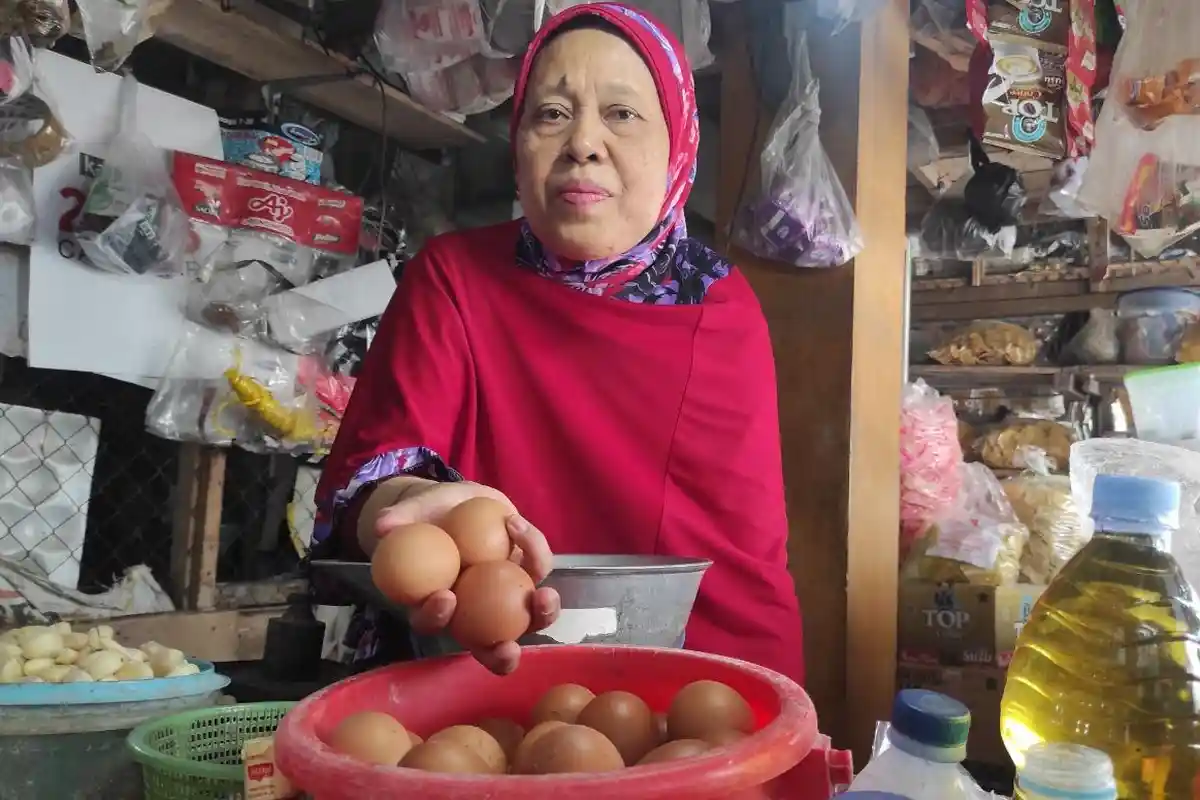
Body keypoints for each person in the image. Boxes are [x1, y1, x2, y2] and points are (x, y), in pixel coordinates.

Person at [312, 2, 805, 683]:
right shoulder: (453, 279)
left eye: (623, 113)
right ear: (517, 147)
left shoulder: (718, 307)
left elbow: (742, 576)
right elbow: (371, 484)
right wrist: (404, 513)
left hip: (673, 688)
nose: (583, 143)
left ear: (678, 146)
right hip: (471, 677)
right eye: (551, 113)